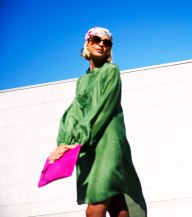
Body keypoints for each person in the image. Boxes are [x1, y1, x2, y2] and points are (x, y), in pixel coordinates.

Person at [49, 27, 147, 217]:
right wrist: (63, 142)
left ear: (110, 49)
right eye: (96, 39)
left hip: (109, 145)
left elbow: (101, 109)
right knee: (117, 204)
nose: (102, 44)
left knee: (94, 209)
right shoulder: (82, 80)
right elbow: (74, 112)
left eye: (107, 42)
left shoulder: (111, 71)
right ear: (87, 43)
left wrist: (77, 140)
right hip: (90, 148)